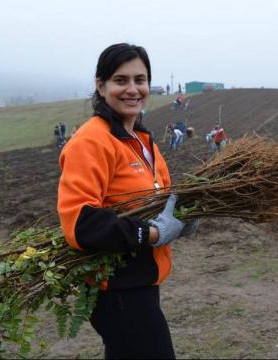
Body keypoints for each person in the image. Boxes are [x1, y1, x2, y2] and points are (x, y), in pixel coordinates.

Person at [57, 43, 198, 359]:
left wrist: (187, 218)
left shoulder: (142, 141)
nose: (133, 89)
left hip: (142, 285)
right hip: (117, 292)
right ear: (101, 85)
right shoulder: (91, 141)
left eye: (140, 80)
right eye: (121, 80)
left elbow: (163, 201)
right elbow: (81, 223)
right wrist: (152, 234)